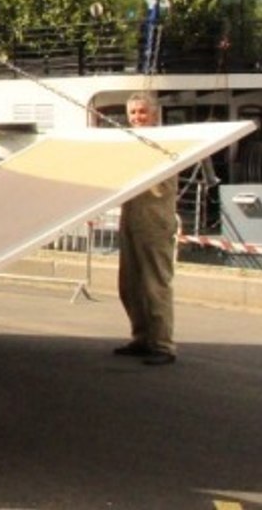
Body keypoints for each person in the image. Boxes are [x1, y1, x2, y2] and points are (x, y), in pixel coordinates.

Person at [114, 92, 179, 366]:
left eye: (142, 112)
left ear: (154, 115)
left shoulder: (165, 142)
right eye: (133, 113)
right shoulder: (127, 143)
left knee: (155, 283)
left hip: (154, 217)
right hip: (129, 215)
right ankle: (141, 337)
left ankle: (162, 344)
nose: (137, 118)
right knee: (130, 284)